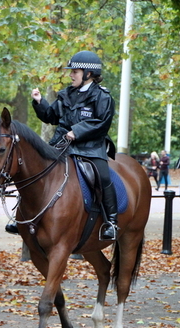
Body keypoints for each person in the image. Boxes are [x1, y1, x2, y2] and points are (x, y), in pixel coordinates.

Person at [30, 50, 118, 240]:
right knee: (37, 170)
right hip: (61, 145)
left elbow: (102, 122)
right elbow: (51, 116)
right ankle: (23, 216)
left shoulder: (103, 97)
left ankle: (111, 222)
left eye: (75, 71)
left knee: (102, 176)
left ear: (88, 74)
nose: (70, 75)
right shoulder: (66, 95)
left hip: (91, 147)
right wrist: (39, 102)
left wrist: (77, 131)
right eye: (71, 71)